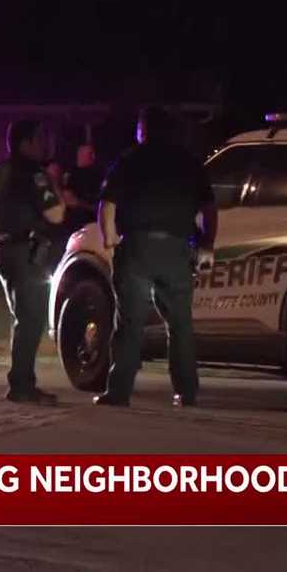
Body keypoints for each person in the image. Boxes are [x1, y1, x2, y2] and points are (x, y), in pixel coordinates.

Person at [93, 106, 217, 408]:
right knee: (180, 323)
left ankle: (119, 391)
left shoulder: (129, 160)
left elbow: (108, 203)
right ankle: (186, 392)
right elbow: (209, 208)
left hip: (137, 247)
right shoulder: (189, 162)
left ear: (142, 131)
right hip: (176, 248)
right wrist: (207, 244)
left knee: (130, 322)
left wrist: (110, 238)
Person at [0, 119, 66, 405]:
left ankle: (21, 381)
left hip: (3, 249)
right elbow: (56, 213)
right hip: (26, 251)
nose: (43, 145)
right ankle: (21, 385)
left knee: (22, 318)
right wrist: (54, 183)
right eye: (39, 139)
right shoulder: (34, 173)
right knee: (31, 320)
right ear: (26, 142)